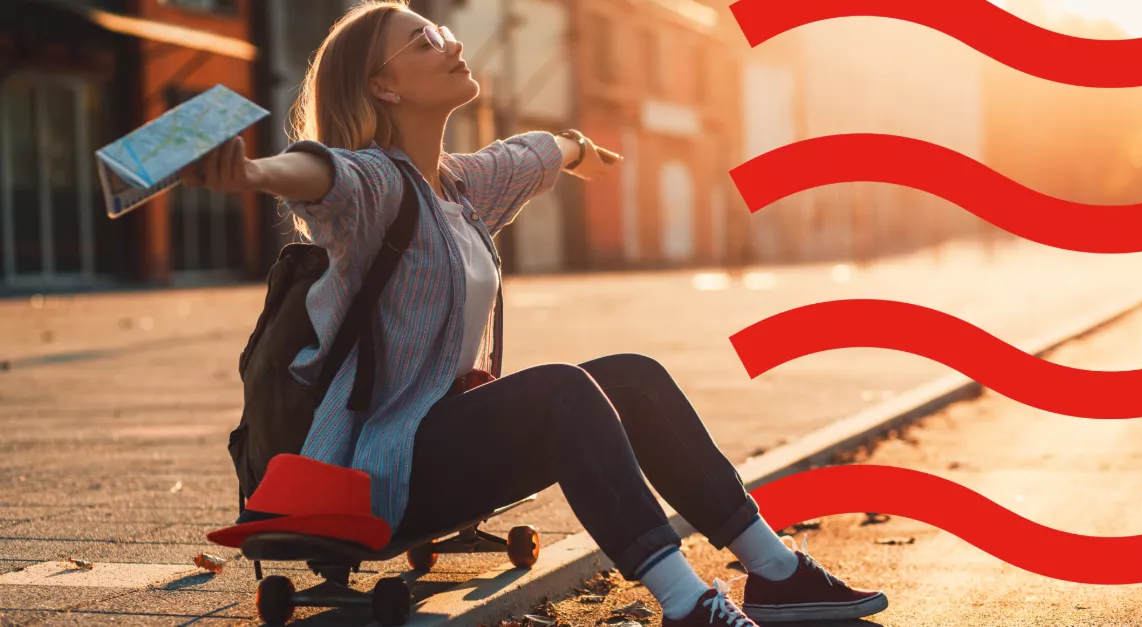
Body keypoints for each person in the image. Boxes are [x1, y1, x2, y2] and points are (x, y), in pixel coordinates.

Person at [182, 1, 887, 624]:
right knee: (559, 391)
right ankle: (685, 602)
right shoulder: (370, 185)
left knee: (633, 378)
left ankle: (775, 572)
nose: (450, 42)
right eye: (424, 42)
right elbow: (319, 171)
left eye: (442, 30)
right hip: (382, 473)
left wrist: (580, 150)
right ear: (383, 86)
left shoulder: (456, 187)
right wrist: (249, 173)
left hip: (442, 446)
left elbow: (529, 153)